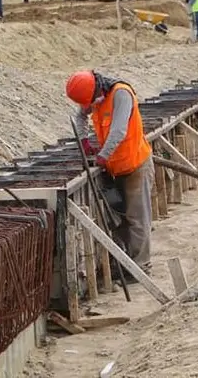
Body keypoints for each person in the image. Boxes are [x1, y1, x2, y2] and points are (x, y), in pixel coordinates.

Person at [66, 70, 153, 268]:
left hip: (135, 166)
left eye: (89, 102)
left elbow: (119, 130)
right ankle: (125, 262)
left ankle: (140, 266)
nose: (89, 107)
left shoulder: (121, 94)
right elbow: (80, 117)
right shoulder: (93, 95)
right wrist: (84, 140)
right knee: (119, 217)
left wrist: (102, 156)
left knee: (137, 219)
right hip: (115, 168)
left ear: (97, 88)